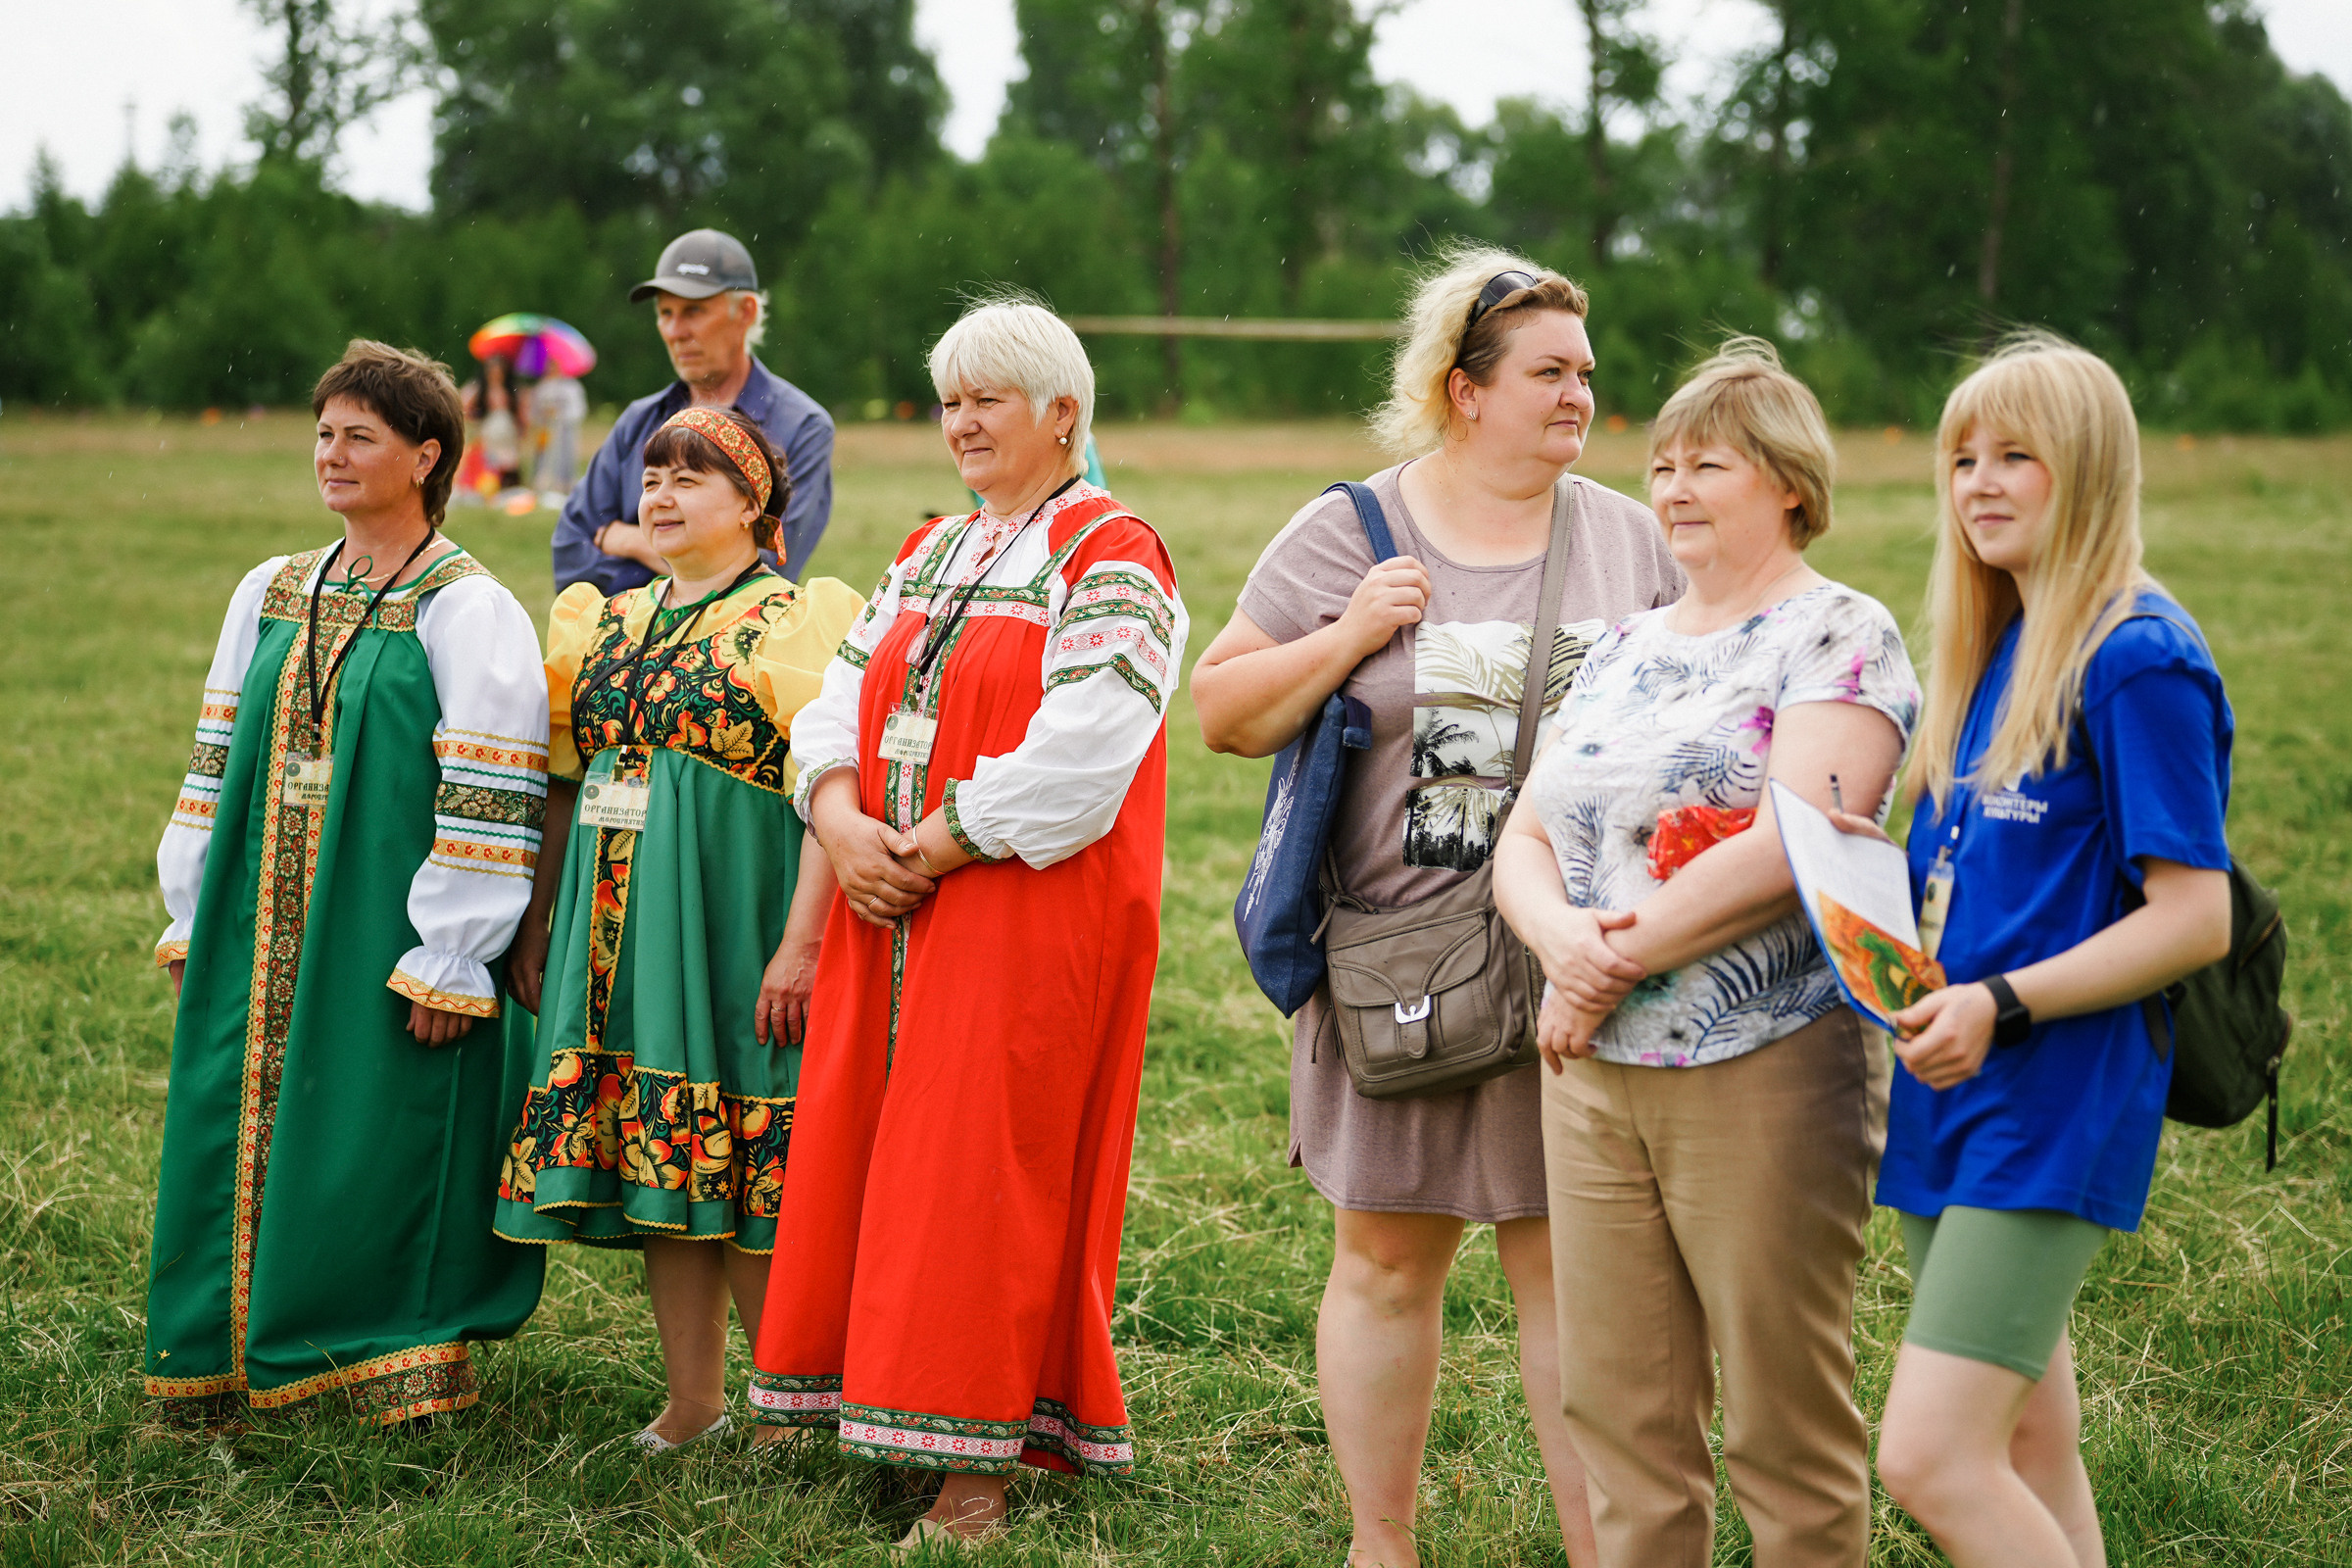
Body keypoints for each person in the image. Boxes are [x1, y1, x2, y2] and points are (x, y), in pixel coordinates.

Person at [1192, 247, 1683, 1568]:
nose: (1579, 395)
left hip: (1578, 970)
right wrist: (1350, 633)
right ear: (1465, 390)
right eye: (1549, 372)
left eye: (1586, 371)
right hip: (1398, 974)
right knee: (1386, 1264)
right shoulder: (1352, 529)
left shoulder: (1629, 538)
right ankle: (1382, 1545)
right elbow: (1223, 710)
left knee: (1569, 1280)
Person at [747, 296, 1188, 1549]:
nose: (961, 423)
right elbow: (837, 699)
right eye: (949, 401)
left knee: (984, 1166)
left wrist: (930, 844)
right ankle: (878, 1401)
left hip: (1020, 907)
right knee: (879, 1145)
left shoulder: (1113, 553)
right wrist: (840, 819)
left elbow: (1087, 753)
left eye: (988, 399)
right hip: (887, 896)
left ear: (1063, 412)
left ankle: (976, 1467)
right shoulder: (933, 547)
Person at [1491, 339, 1921, 1568]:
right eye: (1663, 465)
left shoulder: (1840, 632)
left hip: (1765, 1062)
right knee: (1620, 1414)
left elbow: (1793, 842)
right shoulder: (1624, 644)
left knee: (1784, 1422)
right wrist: (1560, 942)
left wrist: (1598, 965)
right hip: (1591, 1072)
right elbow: (1527, 832)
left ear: (1788, 483)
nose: (1673, 488)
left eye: (1708, 465)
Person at [1854, 336, 2232, 1568]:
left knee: (1931, 1456)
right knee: (2024, 1446)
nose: (1980, 481)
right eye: (1963, 457)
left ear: (2091, 470)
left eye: (2016, 455)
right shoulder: (1997, 641)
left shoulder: (2137, 655)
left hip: (2051, 1093)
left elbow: (2195, 916)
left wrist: (2002, 1004)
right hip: (1952, 1080)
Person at [146, 340, 549, 1425]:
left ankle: (365, 1356)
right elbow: (215, 757)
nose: (330, 453)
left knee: (369, 1124)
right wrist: (193, 909)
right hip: (254, 915)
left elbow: (492, 790)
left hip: (385, 926)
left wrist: (452, 952)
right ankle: (220, 1349)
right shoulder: (270, 590)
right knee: (229, 1112)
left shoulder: (468, 607)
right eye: (324, 433)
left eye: (359, 436)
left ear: (426, 456)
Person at [494, 406, 864, 1450]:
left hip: (733, 919)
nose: (659, 496)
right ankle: (695, 1399)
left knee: (745, 1152)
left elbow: (830, 792)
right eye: (652, 478)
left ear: (753, 506)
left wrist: (803, 942)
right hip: (616, 932)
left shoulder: (799, 619)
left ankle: (788, 1404)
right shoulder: (601, 620)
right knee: (664, 1155)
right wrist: (538, 918)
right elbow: (562, 784)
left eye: (689, 479)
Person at [552, 229, 834, 594]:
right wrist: (691, 562)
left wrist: (628, 540)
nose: (675, 331)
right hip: (625, 634)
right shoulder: (638, 420)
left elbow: (768, 569)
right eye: (665, 313)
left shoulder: (802, 426)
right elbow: (569, 555)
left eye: (693, 311)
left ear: (745, 312)